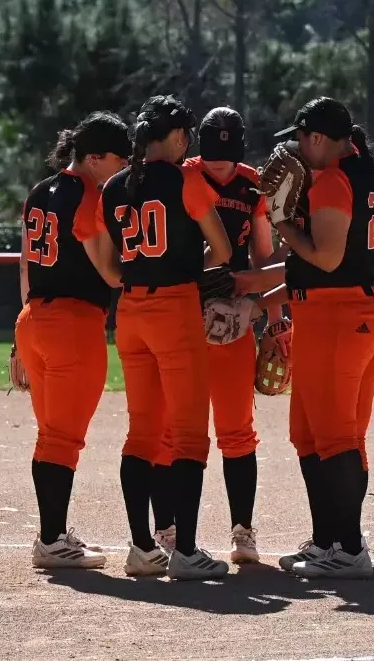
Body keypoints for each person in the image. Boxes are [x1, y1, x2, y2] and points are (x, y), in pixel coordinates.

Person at [235, 96, 374, 578]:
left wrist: (281, 221)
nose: (297, 150)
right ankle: (327, 542)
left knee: (337, 438)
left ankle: (349, 548)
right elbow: (314, 271)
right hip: (333, 314)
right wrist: (256, 297)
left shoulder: (335, 181)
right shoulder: (352, 171)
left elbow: (325, 259)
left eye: (301, 139)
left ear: (319, 137)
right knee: (309, 435)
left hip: (340, 320)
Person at [95, 95, 233, 580]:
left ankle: (142, 547)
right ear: (175, 136)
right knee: (189, 435)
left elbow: (110, 270)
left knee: (142, 432)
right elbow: (222, 249)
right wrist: (187, 265)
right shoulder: (184, 179)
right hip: (175, 309)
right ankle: (186, 551)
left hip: (131, 311)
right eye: (185, 135)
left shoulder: (113, 186)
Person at [145, 107, 276, 565]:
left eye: (229, 156)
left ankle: (242, 531)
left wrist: (274, 316)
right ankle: (166, 530)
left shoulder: (253, 184)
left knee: (237, 430)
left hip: (233, 318)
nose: (220, 166)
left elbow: (263, 256)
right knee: (170, 430)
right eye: (213, 156)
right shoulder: (181, 177)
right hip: (181, 317)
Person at [16, 112, 132, 570]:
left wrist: (18, 339)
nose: (125, 167)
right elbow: (110, 273)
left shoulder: (39, 191)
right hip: (73, 324)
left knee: (50, 436)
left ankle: (53, 533)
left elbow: (26, 264)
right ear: (95, 157)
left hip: (33, 320)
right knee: (62, 439)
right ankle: (51, 540)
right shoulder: (90, 196)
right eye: (121, 159)